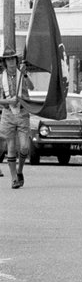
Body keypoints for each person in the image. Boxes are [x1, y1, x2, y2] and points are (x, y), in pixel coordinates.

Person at [0, 47, 31, 189]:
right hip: (8, 114)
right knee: (11, 146)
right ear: (4, 62)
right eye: (8, 59)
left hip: (23, 113)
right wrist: (8, 101)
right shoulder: (1, 78)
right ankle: (13, 179)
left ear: (16, 61)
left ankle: (20, 170)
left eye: (13, 58)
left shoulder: (22, 74)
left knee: (24, 147)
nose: (11, 61)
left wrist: (25, 75)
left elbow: (32, 87)